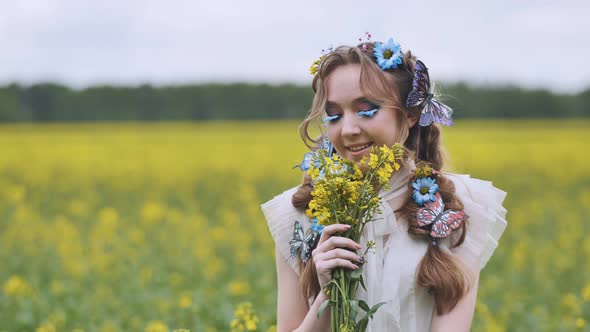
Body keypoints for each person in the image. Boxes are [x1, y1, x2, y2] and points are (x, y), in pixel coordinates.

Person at [261, 36, 507, 332]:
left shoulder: (454, 208)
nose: (348, 130)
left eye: (366, 110)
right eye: (334, 114)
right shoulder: (298, 216)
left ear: (411, 114)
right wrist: (329, 292)